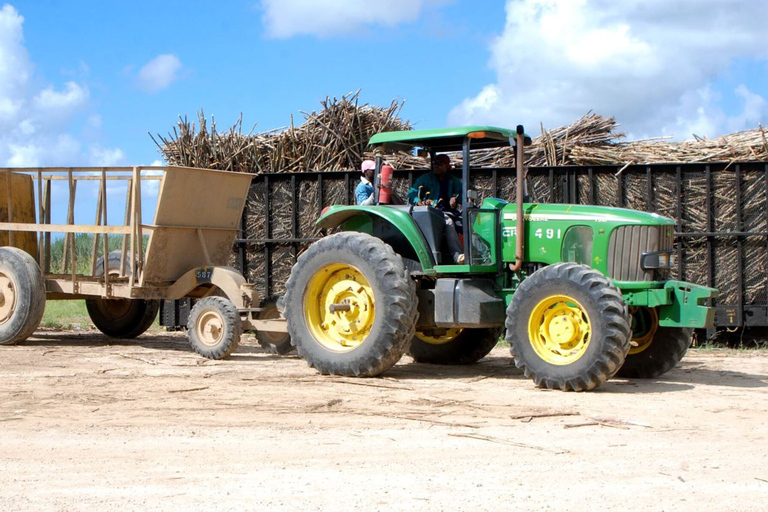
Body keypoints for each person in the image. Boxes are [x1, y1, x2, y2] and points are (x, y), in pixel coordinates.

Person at [407, 154, 465, 264]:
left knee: (467, 222)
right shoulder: (425, 179)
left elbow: (462, 193)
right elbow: (411, 194)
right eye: (435, 163)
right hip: (431, 213)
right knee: (448, 221)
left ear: (447, 166)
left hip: (450, 212)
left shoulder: (452, 180)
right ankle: (456, 255)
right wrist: (419, 201)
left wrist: (455, 198)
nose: (436, 166)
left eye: (440, 164)